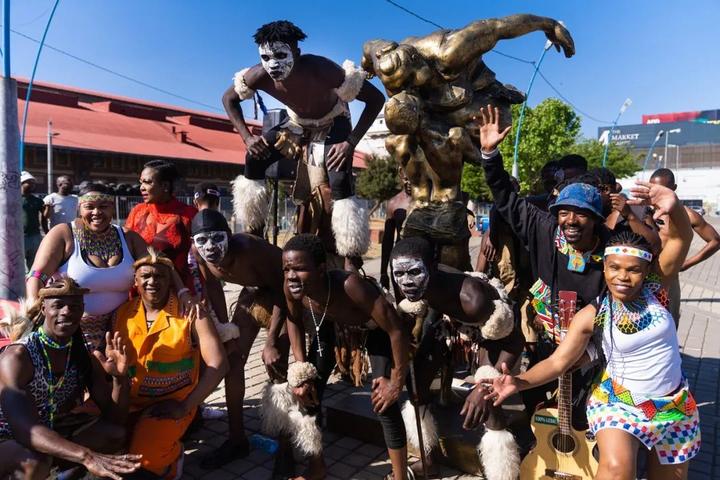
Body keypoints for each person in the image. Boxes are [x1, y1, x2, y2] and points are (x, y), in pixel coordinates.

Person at [481, 183, 697, 480]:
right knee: (617, 471)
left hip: (673, 404)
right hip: (619, 403)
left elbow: (682, 237)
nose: (622, 277)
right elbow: (559, 361)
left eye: (633, 269)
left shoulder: (656, 289)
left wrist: (675, 206)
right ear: (604, 268)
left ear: (646, 271)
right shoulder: (594, 313)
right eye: (614, 268)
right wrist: (518, 382)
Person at [224, 20, 384, 267]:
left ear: (296, 53)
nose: (273, 64)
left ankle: (352, 257)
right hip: (296, 124)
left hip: (334, 121)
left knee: (339, 178)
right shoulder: (257, 75)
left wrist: (350, 142)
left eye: (280, 55)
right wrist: (248, 138)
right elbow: (229, 99)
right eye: (266, 57)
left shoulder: (322, 69)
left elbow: (376, 99)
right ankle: (254, 237)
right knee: (253, 158)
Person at [390, 236, 523, 480]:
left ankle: (503, 475)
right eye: (399, 274)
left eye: (414, 272)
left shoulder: (474, 300)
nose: (406, 282)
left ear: (432, 267)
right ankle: (428, 463)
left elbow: (515, 341)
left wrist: (486, 385)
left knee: (489, 401)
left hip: (491, 333)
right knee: (416, 383)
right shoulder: (415, 286)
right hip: (449, 322)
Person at [282, 234, 410, 480]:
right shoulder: (291, 287)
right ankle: (317, 468)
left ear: (321, 269)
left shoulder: (351, 285)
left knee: (384, 401)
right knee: (308, 394)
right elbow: (293, 320)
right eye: (286, 269)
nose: (291, 276)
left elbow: (396, 329)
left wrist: (395, 382)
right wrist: (301, 369)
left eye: (299, 269)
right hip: (332, 327)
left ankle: (400, 476)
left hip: (376, 330)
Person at [0, 278, 142, 480]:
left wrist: (119, 378)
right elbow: (25, 430)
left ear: (82, 310)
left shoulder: (81, 355)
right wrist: (87, 457)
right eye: (58, 305)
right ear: (43, 309)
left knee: (113, 435)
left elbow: (115, 418)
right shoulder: (17, 357)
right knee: (34, 462)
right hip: (9, 435)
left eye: (75, 306)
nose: (67, 312)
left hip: (51, 428)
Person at [113, 249, 227, 479]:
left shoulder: (192, 313)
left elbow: (219, 364)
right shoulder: (122, 313)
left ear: (170, 280)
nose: (152, 281)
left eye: (160, 276)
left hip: (170, 404)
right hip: (130, 401)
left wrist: (185, 406)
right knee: (94, 439)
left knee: (146, 462)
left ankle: (173, 462)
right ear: (135, 281)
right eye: (146, 276)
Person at [189, 209, 290, 469]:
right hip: (253, 294)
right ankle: (237, 440)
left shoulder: (249, 249)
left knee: (277, 367)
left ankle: (287, 445)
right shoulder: (199, 254)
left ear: (229, 235)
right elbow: (213, 287)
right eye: (202, 240)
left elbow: (283, 290)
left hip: (285, 299)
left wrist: (271, 341)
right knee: (233, 362)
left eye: (217, 238)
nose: (210, 247)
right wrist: (226, 331)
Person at [26, 183, 149, 352]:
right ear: (79, 209)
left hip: (121, 331)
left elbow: (159, 267)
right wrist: (34, 309)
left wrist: (182, 293)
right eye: (89, 207)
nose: (96, 212)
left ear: (113, 208)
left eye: (103, 207)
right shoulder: (63, 234)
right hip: (71, 331)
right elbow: (37, 275)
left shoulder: (128, 237)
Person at [650, 168, 720, 325]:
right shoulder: (643, 212)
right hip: (642, 275)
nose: (657, 193)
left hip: (669, 279)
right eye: (653, 188)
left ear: (673, 188)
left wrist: (687, 264)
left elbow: (715, 241)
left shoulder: (687, 215)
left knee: (668, 321)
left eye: (663, 189)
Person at [125, 159, 198, 290]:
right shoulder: (137, 211)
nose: (141, 187)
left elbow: (202, 260)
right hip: (141, 290)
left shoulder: (188, 214)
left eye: (148, 182)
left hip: (177, 290)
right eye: (141, 182)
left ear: (165, 185)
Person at [380, 169, 412, 293]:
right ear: (400, 175)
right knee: (402, 302)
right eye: (406, 179)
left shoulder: (428, 200)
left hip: (423, 260)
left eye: (412, 178)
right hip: (400, 260)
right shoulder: (394, 203)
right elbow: (387, 240)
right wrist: (383, 272)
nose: (409, 182)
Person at [21, 171, 44, 270]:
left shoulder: (37, 201)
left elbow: (44, 217)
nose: (32, 185)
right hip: (17, 237)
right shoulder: (11, 199)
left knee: (34, 263)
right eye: (29, 182)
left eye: (33, 183)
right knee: (16, 264)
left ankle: (32, 279)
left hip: (35, 236)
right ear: (21, 183)